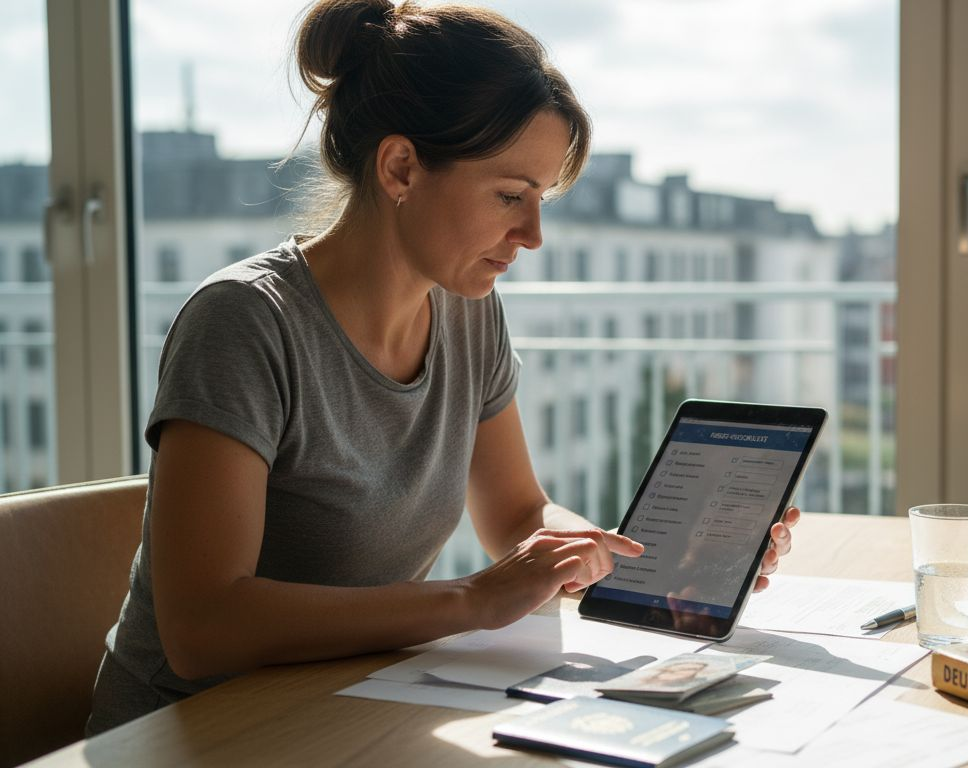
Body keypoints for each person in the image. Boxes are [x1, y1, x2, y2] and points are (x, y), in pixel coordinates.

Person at [86, 0, 800, 735]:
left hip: (344, 706)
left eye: (541, 199)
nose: (533, 235)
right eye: (509, 196)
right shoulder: (244, 321)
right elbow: (203, 627)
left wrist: (632, 560)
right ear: (401, 167)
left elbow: (519, 517)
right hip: (188, 731)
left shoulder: (466, 310)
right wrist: (471, 600)